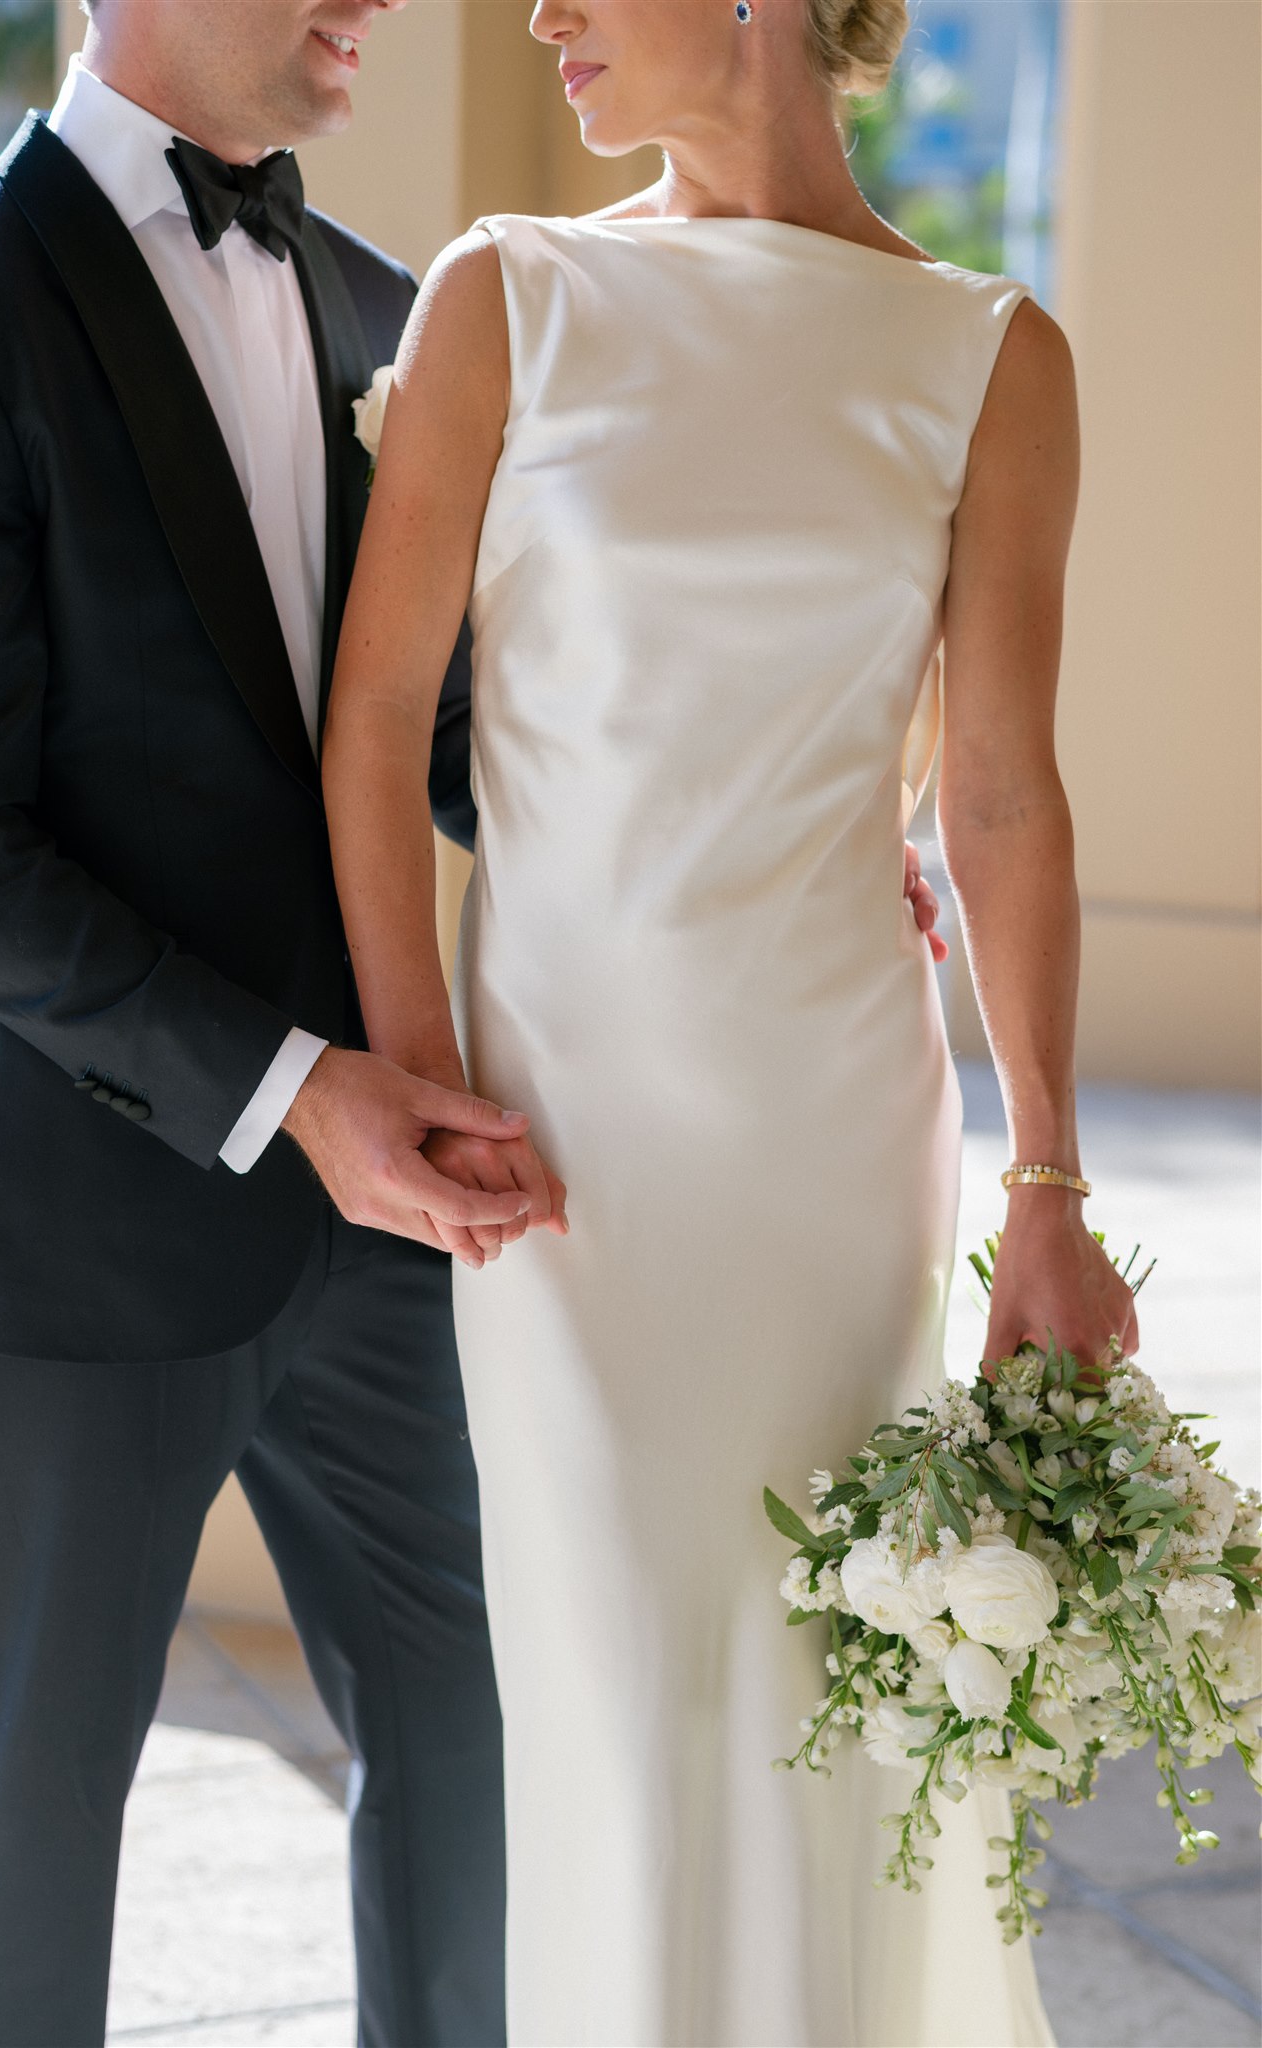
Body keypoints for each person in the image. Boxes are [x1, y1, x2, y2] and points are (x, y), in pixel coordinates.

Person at [0, 0, 949, 2041]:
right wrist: (289, 1089)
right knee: (39, 1800)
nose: (385, 3)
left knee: (470, 1756)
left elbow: (458, 731)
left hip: (399, 1213)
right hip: (81, 1218)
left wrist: (767, 832)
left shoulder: (384, 301)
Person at [320, 0, 1141, 2042]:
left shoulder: (985, 354)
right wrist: (415, 1069)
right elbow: (365, 732)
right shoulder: (510, 295)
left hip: (831, 1138)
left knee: (819, 1691)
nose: (546, 22)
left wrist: (1041, 1175)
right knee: (612, 1698)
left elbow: (1003, 789)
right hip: (561, 1155)